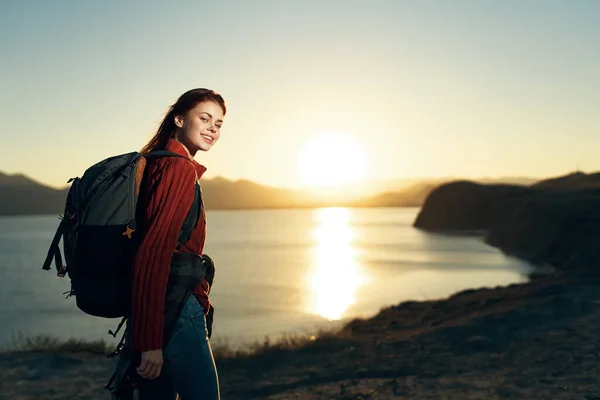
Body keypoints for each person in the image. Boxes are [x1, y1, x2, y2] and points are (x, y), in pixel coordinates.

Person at [111, 88, 225, 400]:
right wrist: (149, 342)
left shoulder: (159, 163)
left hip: (157, 310)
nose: (213, 128)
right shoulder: (177, 169)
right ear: (178, 118)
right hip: (175, 311)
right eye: (204, 118)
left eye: (218, 123)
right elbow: (152, 254)